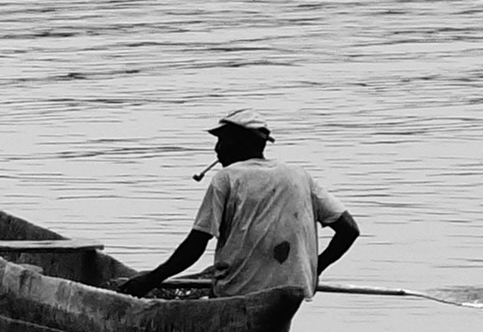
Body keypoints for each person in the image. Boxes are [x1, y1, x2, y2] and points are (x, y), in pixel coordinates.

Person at [115, 110, 360, 312]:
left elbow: (196, 244)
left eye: (222, 141)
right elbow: (349, 230)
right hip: (292, 290)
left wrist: (151, 279)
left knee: (209, 286)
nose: (217, 149)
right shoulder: (299, 175)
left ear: (239, 142)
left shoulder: (226, 178)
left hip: (236, 292)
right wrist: (314, 270)